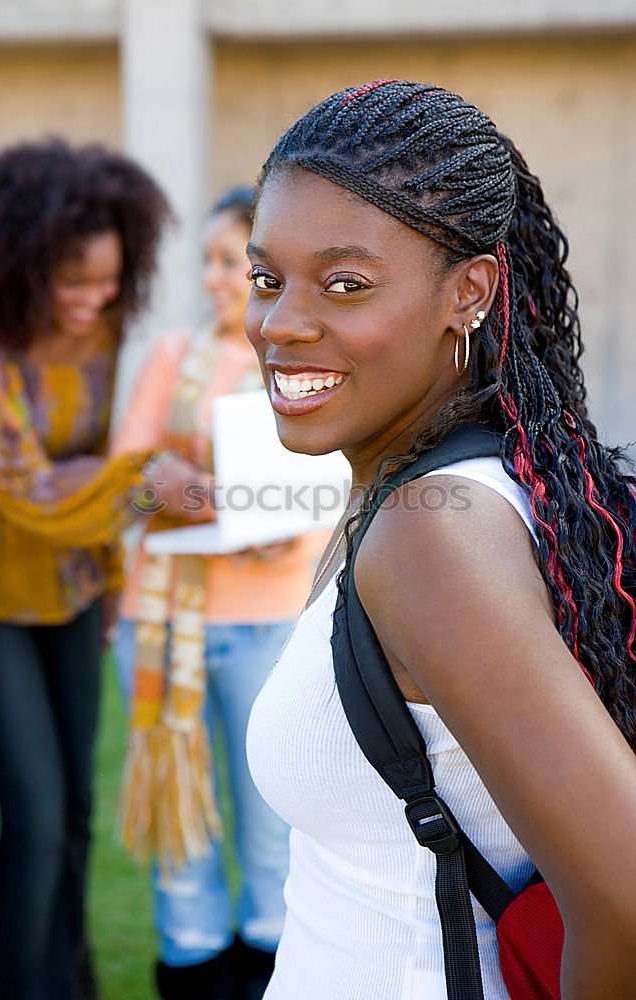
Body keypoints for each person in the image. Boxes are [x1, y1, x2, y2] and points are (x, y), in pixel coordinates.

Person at [243, 81, 636, 999]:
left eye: (345, 283)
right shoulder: (455, 492)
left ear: (468, 292)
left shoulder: (431, 540)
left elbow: (621, 898)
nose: (280, 323)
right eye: (268, 278)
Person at [0, 138, 171, 1000]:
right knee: (38, 818)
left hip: (80, 595)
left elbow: (92, 463)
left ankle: (68, 982)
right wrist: (149, 485)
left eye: (110, 282)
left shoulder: (103, 331)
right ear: (18, 265)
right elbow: (26, 490)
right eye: (74, 283)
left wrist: (115, 569)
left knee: (81, 818)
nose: (95, 300)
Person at [112, 187, 322, 1000]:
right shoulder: (171, 359)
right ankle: (192, 964)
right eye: (202, 261)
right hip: (161, 624)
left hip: (268, 621)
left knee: (273, 827)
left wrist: (223, 503)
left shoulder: (302, 359)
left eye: (228, 262)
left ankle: (274, 971)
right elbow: (123, 490)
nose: (210, 279)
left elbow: (318, 495)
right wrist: (156, 487)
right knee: (180, 830)